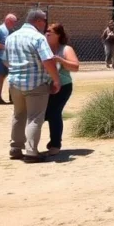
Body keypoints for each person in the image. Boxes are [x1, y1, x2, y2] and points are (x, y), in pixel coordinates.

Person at [5, 9, 61, 163]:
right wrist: (56, 80)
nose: (45, 25)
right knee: (35, 118)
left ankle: (15, 147)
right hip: (36, 84)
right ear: (38, 21)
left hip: (15, 83)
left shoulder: (11, 37)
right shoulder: (38, 38)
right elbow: (48, 60)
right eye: (44, 21)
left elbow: (5, 60)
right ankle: (31, 152)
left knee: (18, 114)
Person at [44, 23, 79, 155]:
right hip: (45, 86)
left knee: (54, 113)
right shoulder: (43, 47)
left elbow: (75, 67)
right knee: (43, 114)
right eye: (46, 31)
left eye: (50, 32)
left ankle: (55, 144)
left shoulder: (65, 49)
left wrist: (61, 60)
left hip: (63, 86)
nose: (47, 33)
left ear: (58, 35)